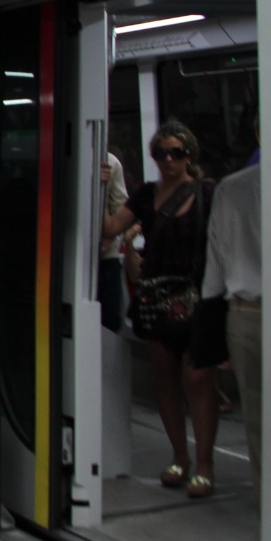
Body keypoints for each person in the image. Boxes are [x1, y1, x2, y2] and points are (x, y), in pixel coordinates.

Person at [103, 120, 219, 499]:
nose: (168, 160)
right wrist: (101, 185)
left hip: (197, 296)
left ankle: (204, 464)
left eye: (177, 152)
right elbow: (111, 228)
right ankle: (179, 457)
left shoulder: (206, 193)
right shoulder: (145, 195)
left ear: (189, 155)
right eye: (161, 153)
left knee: (198, 380)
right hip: (156, 297)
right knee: (165, 382)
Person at [203, 146, 262, 541]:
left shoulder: (230, 189)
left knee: (260, 439)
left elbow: (216, 267)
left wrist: (213, 334)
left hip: (244, 317)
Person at [98, 150, 130, 333]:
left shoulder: (110, 162)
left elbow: (121, 206)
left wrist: (110, 238)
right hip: (67, 256)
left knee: (109, 321)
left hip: (106, 259)